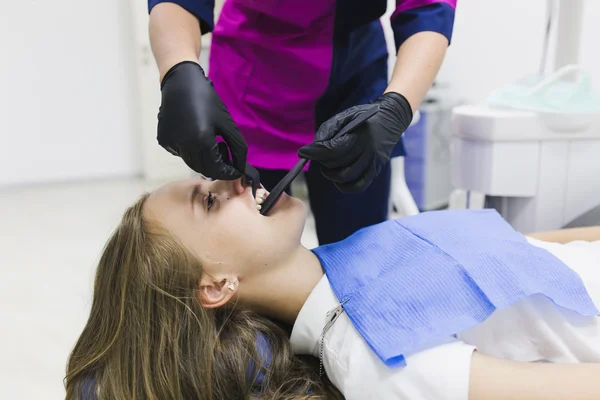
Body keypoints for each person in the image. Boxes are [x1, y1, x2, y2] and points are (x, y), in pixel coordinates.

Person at [65, 176, 600, 399]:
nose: (231, 179)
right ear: (216, 286)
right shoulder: (376, 355)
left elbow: (522, 248)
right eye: (209, 200)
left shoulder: (350, 255)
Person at [147, 0, 456, 245]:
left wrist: (397, 105)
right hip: (252, 76)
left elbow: (427, 6)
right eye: (207, 201)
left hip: (354, 79)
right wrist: (178, 70)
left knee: (357, 249)